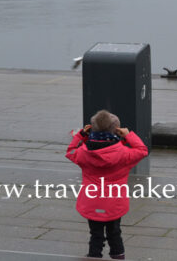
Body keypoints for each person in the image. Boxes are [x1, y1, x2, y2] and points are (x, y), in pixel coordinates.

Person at [66, 109, 149, 259]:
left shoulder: (83, 153)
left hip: (91, 202)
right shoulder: (124, 154)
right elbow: (142, 150)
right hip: (114, 202)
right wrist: (128, 136)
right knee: (115, 233)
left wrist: (81, 135)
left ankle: (94, 256)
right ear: (116, 131)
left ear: (92, 129)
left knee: (95, 234)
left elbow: (71, 151)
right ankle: (118, 256)